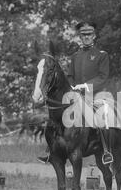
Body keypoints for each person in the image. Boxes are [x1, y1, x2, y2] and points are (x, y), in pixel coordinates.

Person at [37, 21, 110, 163]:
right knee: (56, 117)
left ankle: (106, 151)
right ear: (80, 37)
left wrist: (85, 86)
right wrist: (71, 88)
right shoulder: (75, 56)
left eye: (89, 34)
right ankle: (52, 150)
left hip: (96, 95)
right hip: (75, 95)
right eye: (83, 35)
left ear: (94, 36)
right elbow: (69, 77)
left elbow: (103, 77)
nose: (86, 37)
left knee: (103, 117)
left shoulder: (102, 55)